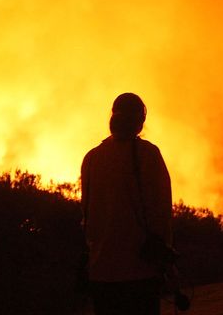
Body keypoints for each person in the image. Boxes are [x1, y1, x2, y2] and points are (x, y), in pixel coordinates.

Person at [81, 93, 172, 315]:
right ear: (140, 120)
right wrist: (167, 259)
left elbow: (87, 215)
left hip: (101, 271)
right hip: (140, 270)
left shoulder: (92, 158)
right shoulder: (148, 154)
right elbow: (161, 211)